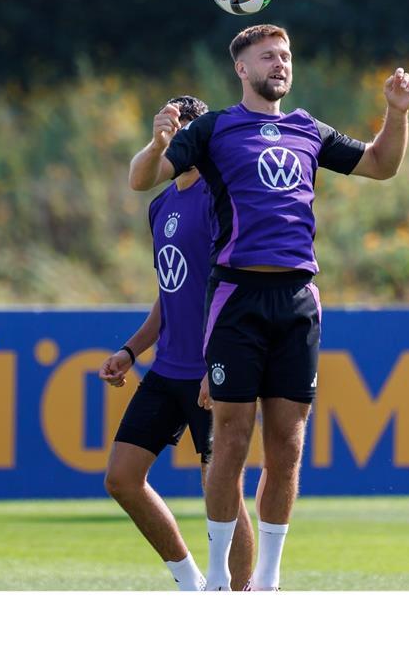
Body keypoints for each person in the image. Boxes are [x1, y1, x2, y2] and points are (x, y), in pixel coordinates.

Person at [128, 24, 409, 591]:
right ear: (242, 69)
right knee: (231, 438)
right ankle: (216, 579)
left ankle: (267, 581)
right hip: (237, 296)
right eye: (268, 56)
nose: (280, 63)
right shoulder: (214, 129)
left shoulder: (308, 128)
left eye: (285, 55)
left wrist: (397, 111)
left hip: (297, 300)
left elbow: (381, 165)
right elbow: (144, 180)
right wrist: (158, 142)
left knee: (288, 443)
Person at [99, 96, 255, 592]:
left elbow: (230, 288)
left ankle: (243, 597)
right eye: (163, 121)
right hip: (168, 370)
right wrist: (131, 350)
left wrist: (220, 361)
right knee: (122, 478)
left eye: (178, 123)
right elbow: (170, 293)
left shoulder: (218, 198)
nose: (169, 130)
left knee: (222, 490)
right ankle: (190, 584)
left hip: (214, 369)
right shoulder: (161, 205)